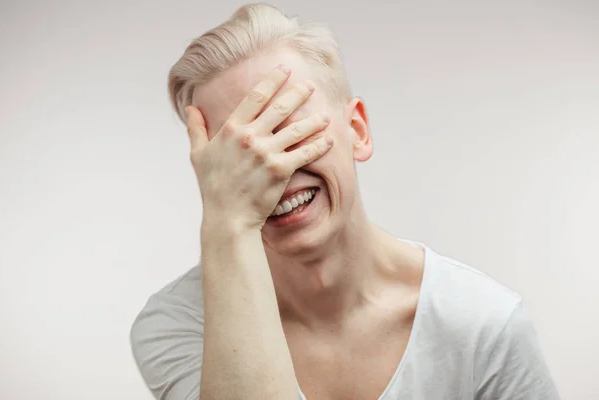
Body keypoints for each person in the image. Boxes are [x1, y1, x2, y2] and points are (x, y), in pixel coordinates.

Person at [130, 3, 560, 399]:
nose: (272, 169)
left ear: (357, 130)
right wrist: (229, 223)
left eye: (291, 130)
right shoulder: (178, 323)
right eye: (239, 153)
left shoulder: (485, 325)